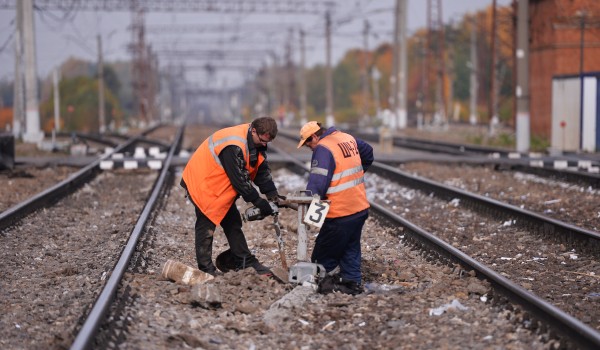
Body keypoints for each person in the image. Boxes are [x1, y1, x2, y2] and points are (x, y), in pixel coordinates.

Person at [181, 116, 284, 276]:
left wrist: (272, 194)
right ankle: (206, 270)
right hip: (204, 183)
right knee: (206, 226)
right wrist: (257, 200)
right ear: (254, 131)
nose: (264, 145)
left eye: (267, 142)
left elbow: (260, 169)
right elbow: (239, 180)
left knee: (233, 222)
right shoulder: (233, 145)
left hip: (220, 185)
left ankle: (244, 261)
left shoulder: (255, 142)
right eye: (262, 141)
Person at [297, 121, 374, 295]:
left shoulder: (323, 148)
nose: (309, 147)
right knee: (350, 249)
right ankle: (352, 286)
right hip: (359, 208)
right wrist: (356, 174)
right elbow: (368, 153)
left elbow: (318, 183)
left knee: (322, 256)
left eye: (308, 142)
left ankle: (320, 287)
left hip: (339, 212)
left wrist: (309, 207)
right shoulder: (345, 137)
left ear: (315, 136)